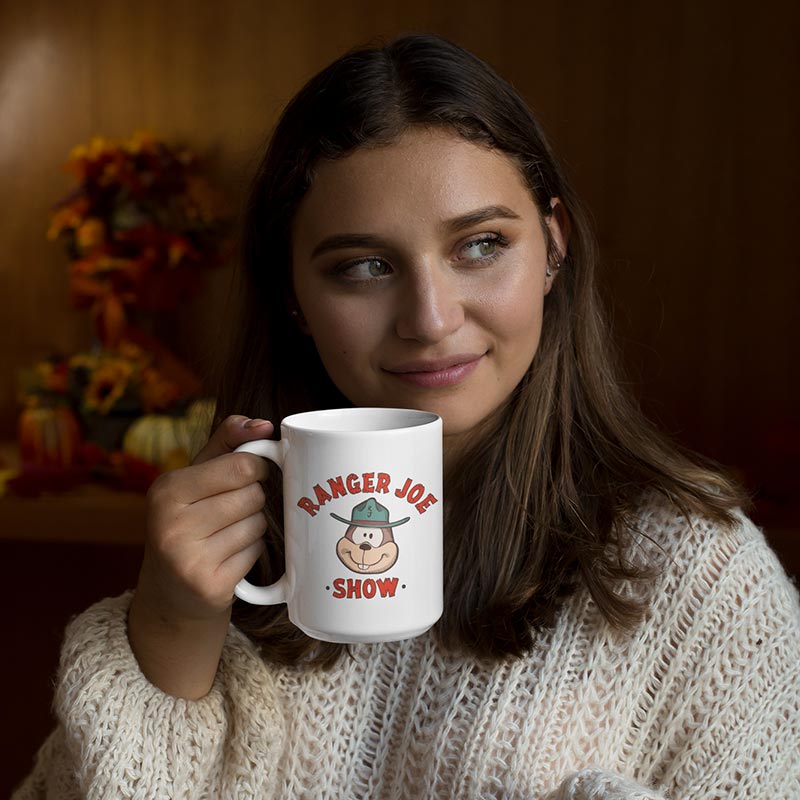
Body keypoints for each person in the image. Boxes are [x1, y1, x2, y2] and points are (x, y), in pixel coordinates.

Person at [14, 33, 799, 800]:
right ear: (293, 295)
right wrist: (171, 630)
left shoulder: (704, 580)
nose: (429, 318)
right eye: (364, 266)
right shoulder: (224, 567)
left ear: (554, 245)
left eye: (482, 245)